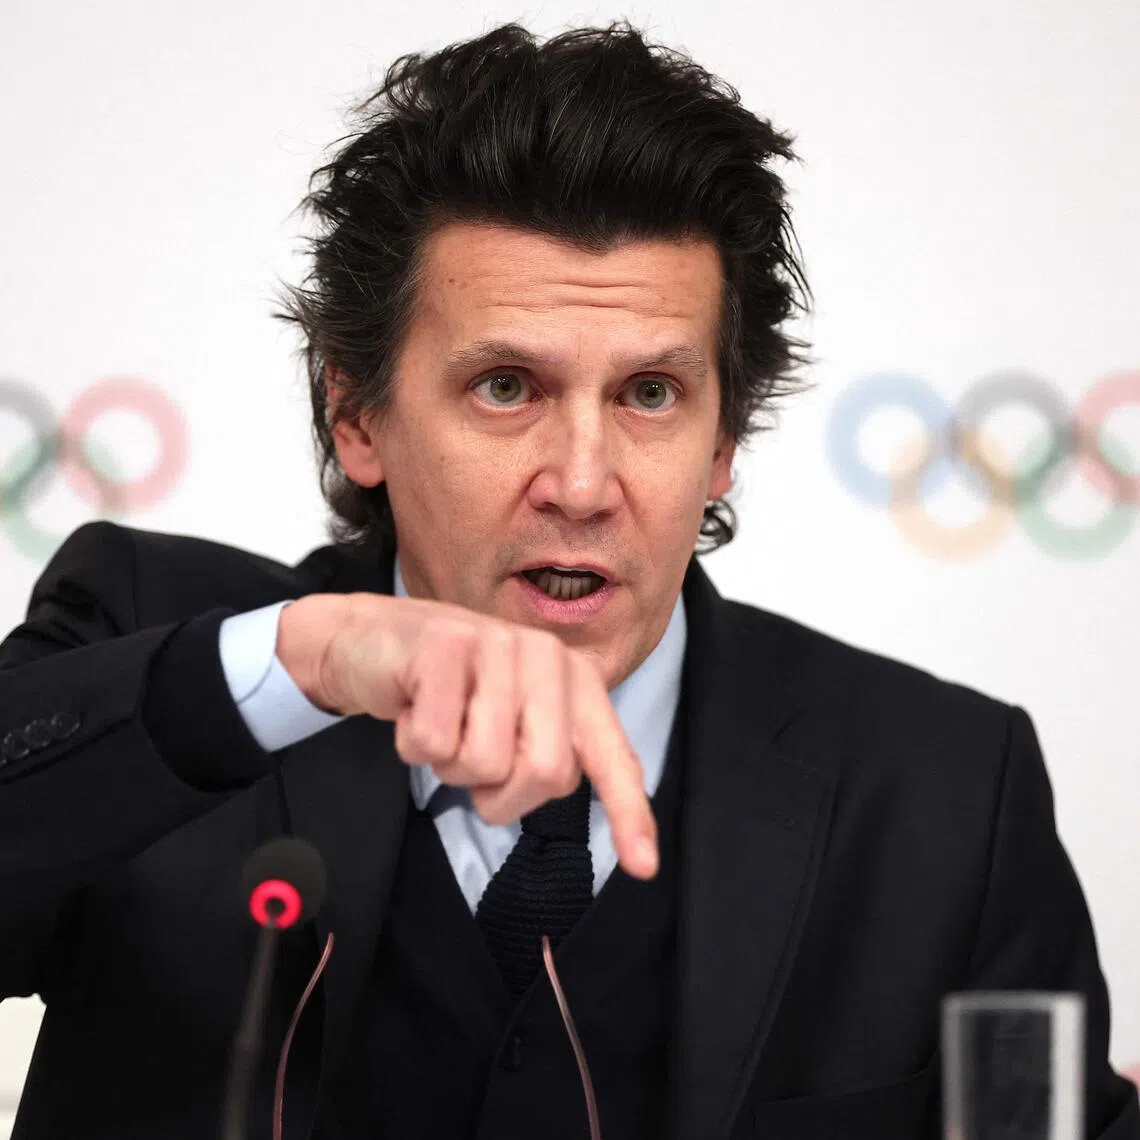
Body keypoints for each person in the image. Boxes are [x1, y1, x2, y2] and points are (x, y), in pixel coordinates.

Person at [0, 19, 1135, 1140]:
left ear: (724, 439)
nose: (584, 485)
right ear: (356, 416)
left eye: (650, 394)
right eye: (506, 386)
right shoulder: (162, 639)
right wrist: (295, 665)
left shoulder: (942, 791)